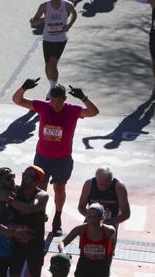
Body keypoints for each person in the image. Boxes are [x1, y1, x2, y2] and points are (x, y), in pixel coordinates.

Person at [10, 80, 98, 233]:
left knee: (59, 189)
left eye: (58, 103)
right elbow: (17, 100)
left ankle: (57, 217)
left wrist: (83, 98)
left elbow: (93, 112)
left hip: (63, 159)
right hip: (42, 157)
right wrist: (24, 87)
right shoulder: (43, 106)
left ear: (64, 99)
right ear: (49, 98)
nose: (55, 106)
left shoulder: (73, 110)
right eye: (52, 102)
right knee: (39, 189)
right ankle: (40, 214)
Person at [31, 0, 79, 84]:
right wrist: (35, 22)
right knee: (47, 65)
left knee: (53, 64)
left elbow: (74, 14)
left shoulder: (67, 5)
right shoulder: (44, 6)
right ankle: (51, 85)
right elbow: (35, 20)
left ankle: (54, 88)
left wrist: (69, 25)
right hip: (47, 39)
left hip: (60, 40)